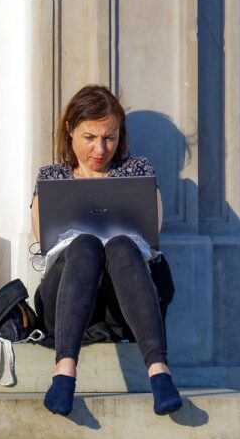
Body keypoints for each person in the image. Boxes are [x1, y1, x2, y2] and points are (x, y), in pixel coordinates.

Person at [30, 84, 182, 417]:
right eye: (90, 138)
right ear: (70, 129)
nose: (100, 149)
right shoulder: (51, 176)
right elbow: (44, 238)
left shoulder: (137, 171)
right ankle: (64, 371)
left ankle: (159, 372)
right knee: (84, 244)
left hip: (123, 302)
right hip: (66, 299)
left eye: (109, 138)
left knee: (123, 244)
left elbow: (151, 233)